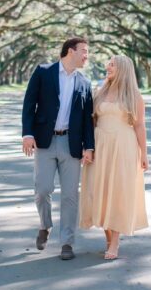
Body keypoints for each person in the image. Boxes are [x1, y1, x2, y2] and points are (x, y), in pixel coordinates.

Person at [21, 37, 95, 260]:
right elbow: (29, 103)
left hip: (71, 144)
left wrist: (89, 147)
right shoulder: (43, 72)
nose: (86, 55)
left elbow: (87, 119)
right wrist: (27, 133)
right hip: (45, 141)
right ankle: (45, 225)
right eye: (83, 51)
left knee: (70, 196)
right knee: (42, 190)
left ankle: (67, 243)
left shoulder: (84, 82)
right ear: (70, 51)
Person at [79, 54, 148, 260]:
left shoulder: (133, 96)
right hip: (100, 145)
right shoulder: (99, 92)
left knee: (118, 192)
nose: (108, 67)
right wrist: (87, 148)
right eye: (108, 64)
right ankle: (108, 238)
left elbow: (139, 126)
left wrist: (144, 153)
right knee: (98, 191)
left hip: (123, 146)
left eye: (112, 65)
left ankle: (115, 242)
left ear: (123, 69)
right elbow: (91, 122)